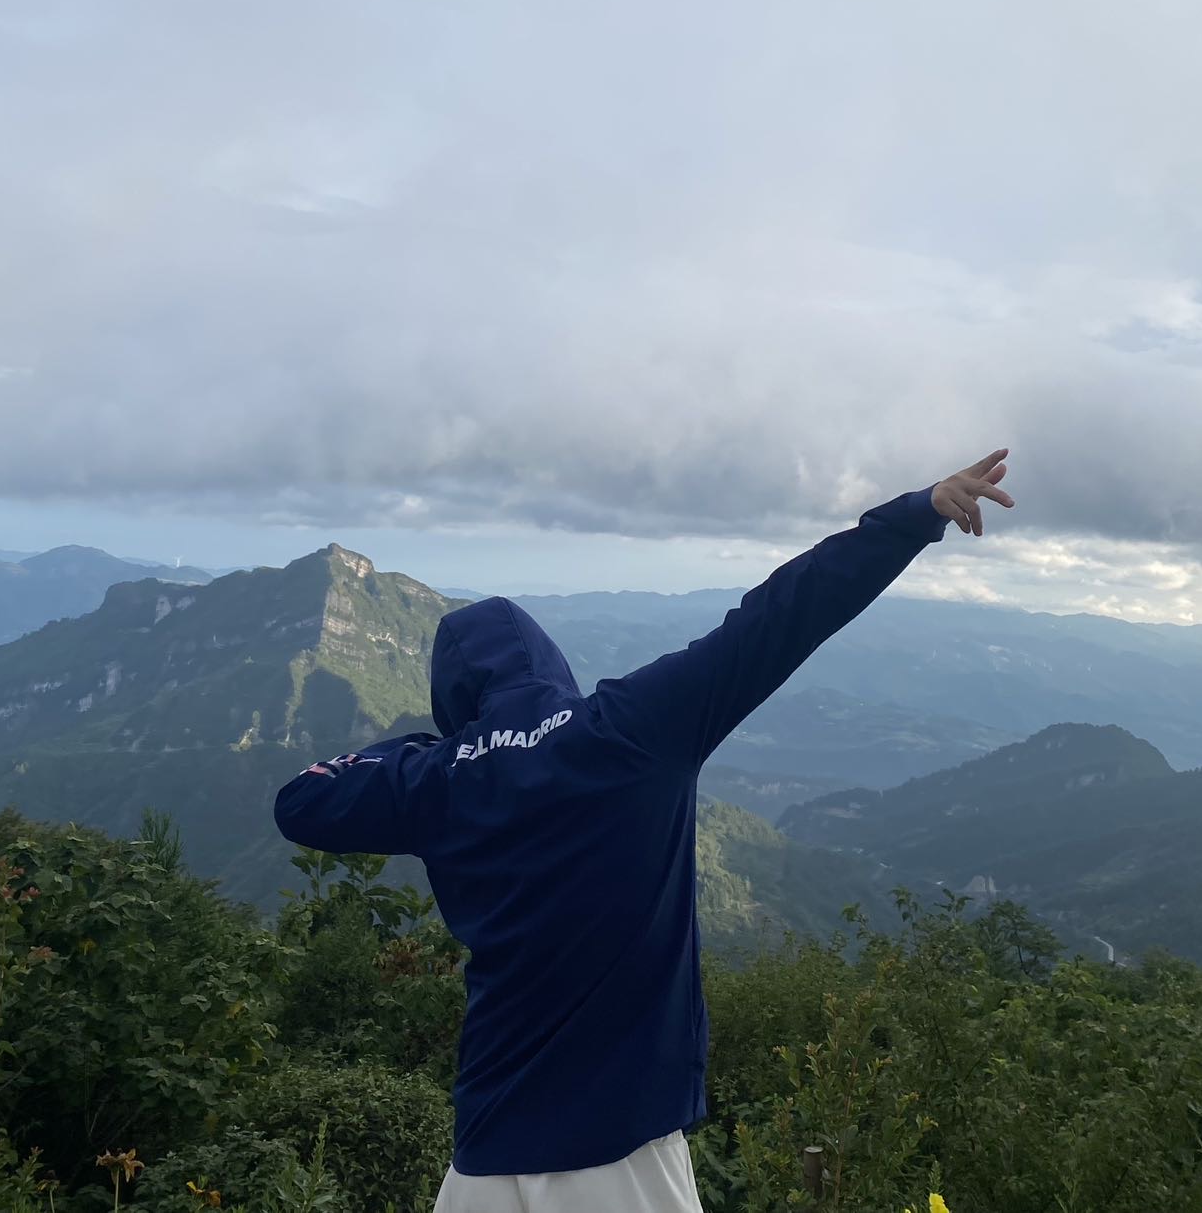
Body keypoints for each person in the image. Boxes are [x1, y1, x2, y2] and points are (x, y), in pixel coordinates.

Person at [274, 450, 1014, 1212]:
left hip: (482, 1162)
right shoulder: (629, 727)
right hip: (620, 1156)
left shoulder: (440, 780)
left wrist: (442, 750)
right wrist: (916, 513)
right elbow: (783, 615)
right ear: (552, 666)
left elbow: (303, 798)